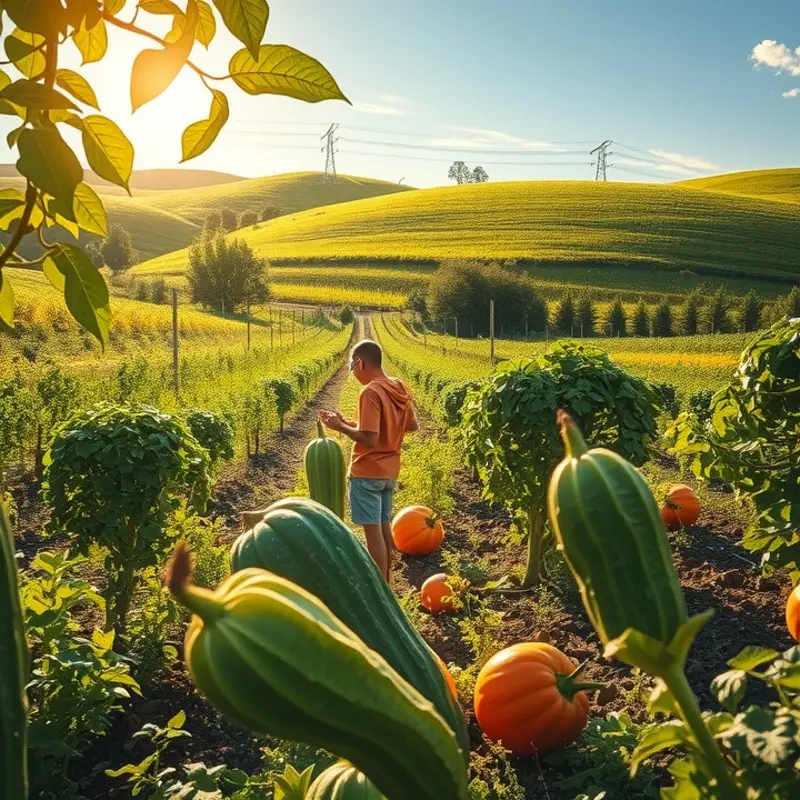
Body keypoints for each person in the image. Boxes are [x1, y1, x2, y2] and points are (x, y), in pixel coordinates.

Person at [319, 339, 418, 582]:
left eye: (352, 368)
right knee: (384, 529)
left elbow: (370, 439)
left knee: (373, 535)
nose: (353, 374)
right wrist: (349, 422)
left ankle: (380, 587)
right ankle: (388, 581)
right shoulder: (399, 387)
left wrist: (339, 426)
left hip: (367, 472)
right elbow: (410, 425)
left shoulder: (370, 391)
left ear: (360, 362)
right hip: (389, 471)